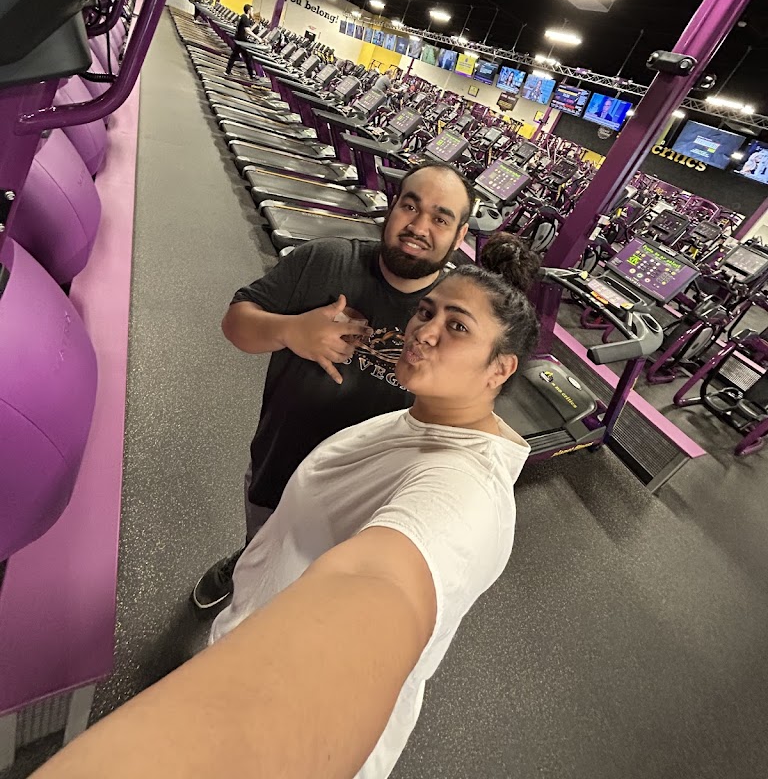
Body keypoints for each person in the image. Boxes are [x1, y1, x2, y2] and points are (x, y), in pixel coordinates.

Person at [32, 234, 539, 779]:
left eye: (457, 327)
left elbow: (382, 587)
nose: (425, 331)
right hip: (252, 621)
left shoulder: (464, 491)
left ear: (499, 369)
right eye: (426, 311)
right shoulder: (424, 416)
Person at [192, 163, 474, 610]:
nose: (419, 227)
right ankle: (247, 560)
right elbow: (235, 324)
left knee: (319, 590)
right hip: (280, 462)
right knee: (263, 537)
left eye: (440, 218)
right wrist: (291, 331)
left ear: (460, 236)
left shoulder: (455, 317)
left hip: (366, 496)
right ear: (391, 208)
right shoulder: (325, 260)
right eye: (410, 206)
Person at [225, 3, 257, 78]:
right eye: (252, 11)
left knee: (240, 56)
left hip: (240, 39)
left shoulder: (243, 17)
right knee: (246, 57)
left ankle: (228, 71)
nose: (253, 13)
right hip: (241, 41)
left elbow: (247, 30)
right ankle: (251, 75)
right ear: (248, 11)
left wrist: (255, 25)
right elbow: (247, 31)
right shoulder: (245, 18)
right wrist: (258, 38)